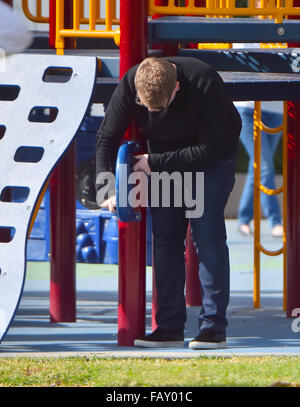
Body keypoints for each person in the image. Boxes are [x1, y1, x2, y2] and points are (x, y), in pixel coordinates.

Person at [95, 56, 241, 349]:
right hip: (164, 165)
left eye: (160, 108)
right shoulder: (131, 82)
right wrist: (107, 189)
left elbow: (210, 149)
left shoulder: (204, 81)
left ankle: (213, 328)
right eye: (148, 108)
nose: (154, 113)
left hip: (210, 160)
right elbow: (106, 138)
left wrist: (154, 161)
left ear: (176, 87)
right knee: (166, 240)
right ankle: (169, 326)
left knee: (207, 236)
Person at [236, 100, 283, 238]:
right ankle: (275, 221)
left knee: (257, 167)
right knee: (264, 167)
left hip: (277, 110)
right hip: (248, 109)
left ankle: (244, 218)